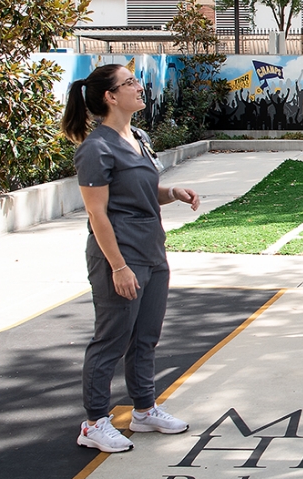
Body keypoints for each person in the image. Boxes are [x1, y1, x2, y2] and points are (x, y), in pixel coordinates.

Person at [60, 64, 203, 453]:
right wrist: (118, 266)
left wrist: (171, 192)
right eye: (129, 83)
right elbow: (98, 213)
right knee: (111, 340)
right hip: (120, 255)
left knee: (146, 338)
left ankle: (143, 410)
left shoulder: (137, 137)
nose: (139, 87)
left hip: (152, 250)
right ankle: (93, 423)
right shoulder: (96, 148)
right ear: (110, 97)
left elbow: (142, 191)